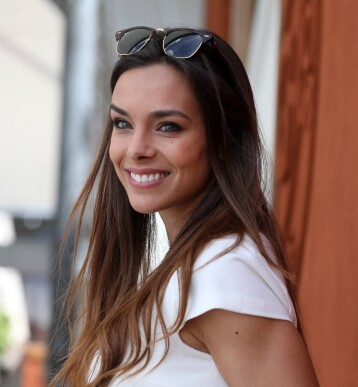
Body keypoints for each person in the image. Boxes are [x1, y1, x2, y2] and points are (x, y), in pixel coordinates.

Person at [52, 27, 319, 386]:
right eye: (123, 123)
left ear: (224, 140)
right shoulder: (186, 270)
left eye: (167, 126)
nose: (137, 149)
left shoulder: (224, 272)